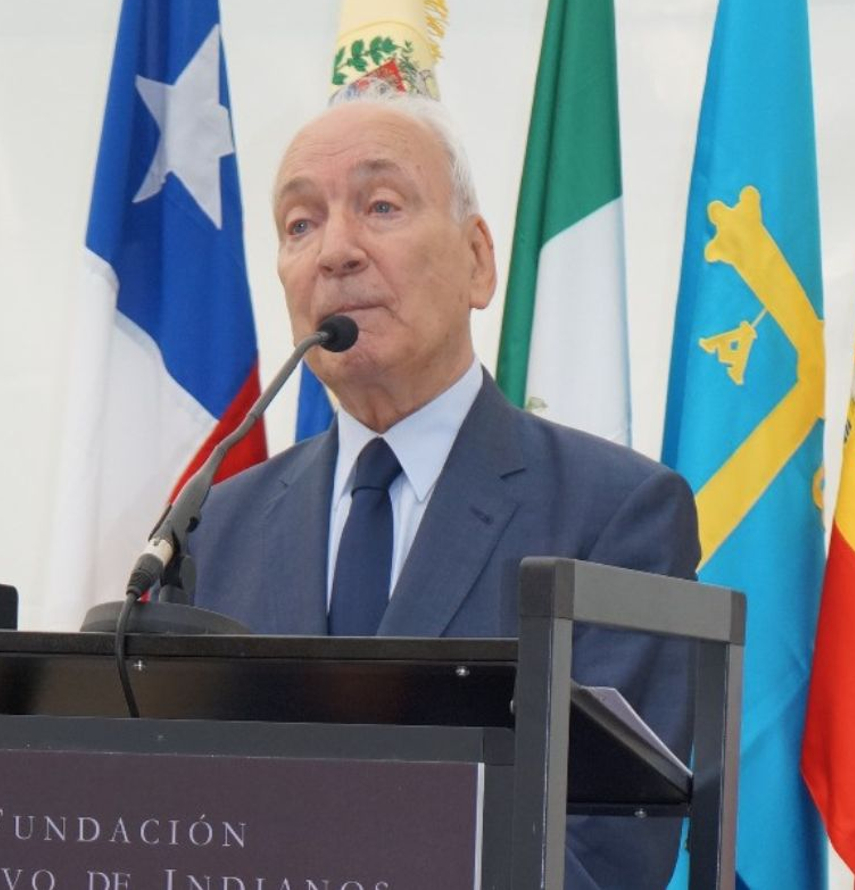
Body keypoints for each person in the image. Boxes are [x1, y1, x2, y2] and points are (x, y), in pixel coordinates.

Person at [185, 86, 701, 889]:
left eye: (381, 206)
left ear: (478, 261)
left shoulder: (617, 515)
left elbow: (605, 856)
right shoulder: (215, 528)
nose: (335, 251)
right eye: (300, 224)